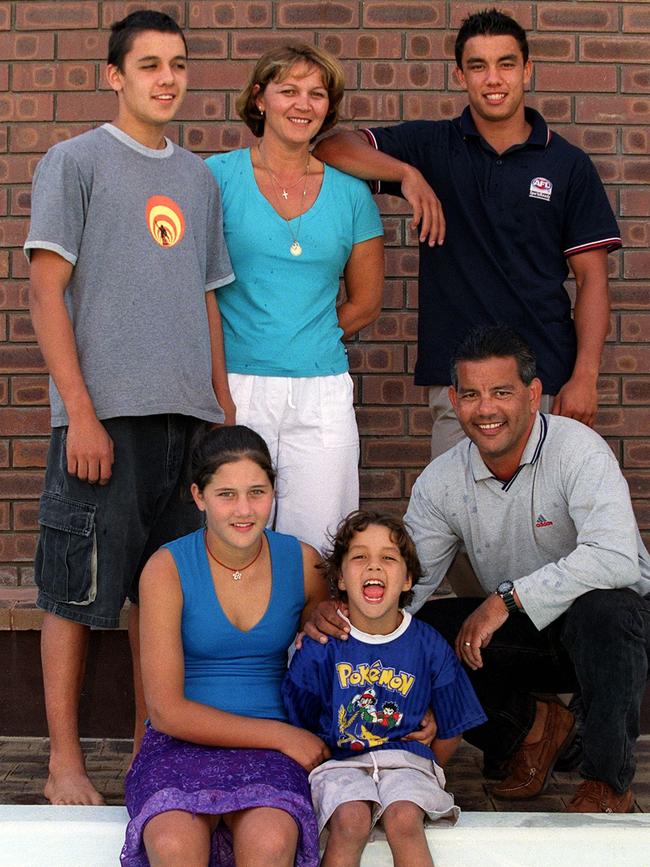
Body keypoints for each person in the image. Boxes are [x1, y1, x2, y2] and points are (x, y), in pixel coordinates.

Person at [23, 10, 235, 806]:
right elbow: (45, 291)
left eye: (177, 64)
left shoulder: (199, 178)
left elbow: (209, 299)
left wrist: (219, 406)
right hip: (102, 422)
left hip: (187, 425)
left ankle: (153, 758)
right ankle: (65, 762)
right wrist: (79, 410)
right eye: (149, 65)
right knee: (74, 593)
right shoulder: (73, 162)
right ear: (115, 76)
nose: (167, 79)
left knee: (162, 603)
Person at [307, 326, 650, 813]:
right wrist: (342, 617)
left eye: (501, 392)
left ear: (533, 396)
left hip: (620, 633)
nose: (485, 409)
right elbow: (410, 583)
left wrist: (505, 599)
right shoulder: (443, 479)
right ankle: (534, 728)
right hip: (530, 631)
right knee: (425, 632)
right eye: (471, 394)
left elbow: (615, 557)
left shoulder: (578, 450)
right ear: (454, 399)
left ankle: (607, 786)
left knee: (607, 611)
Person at [314, 7, 621, 460]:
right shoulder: (432, 146)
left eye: (506, 64)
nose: (492, 78)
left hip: (545, 381)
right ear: (460, 75)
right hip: (460, 387)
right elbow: (331, 145)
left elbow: (592, 280)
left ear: (527, 70)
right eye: (478, 66)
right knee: (456, 521)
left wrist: (585, 377)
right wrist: (407, 174)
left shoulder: (567, 164)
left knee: (544, 525)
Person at [121, 425, 331, 867]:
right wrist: (284, 736)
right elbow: (165, 711)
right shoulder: (167, 569)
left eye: (257, 492)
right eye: (226, 494)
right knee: (175, 845)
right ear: (199, 496)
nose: (244, 510)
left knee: (272, 840)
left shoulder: (304, 563)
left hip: (272, 755)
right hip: (182, 743)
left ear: (274, 491)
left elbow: (342, 648)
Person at [205, 42, 384, 551]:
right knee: (234, 541)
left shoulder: (350, 192)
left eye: (317, 94)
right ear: (260, 99)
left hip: (322, 392)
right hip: (236, 387)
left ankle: (312, 635)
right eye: (289, 91)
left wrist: (305, 336)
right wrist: (220, 388)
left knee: (321, 545)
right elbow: (194, 287)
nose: (303, 104)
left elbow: (366, 301)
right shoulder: (215, 179)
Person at [283, 511, 485, 866]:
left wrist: (430, 764)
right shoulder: (322, 645)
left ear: (407, 579)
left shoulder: (428, 644)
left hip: (408, 763)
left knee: (405, 818)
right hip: (340, 762)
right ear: (341, 579)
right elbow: (299, 717)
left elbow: (455, 721)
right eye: (359, 557)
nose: (373, 567)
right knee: (350, 820)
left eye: (388, 558)